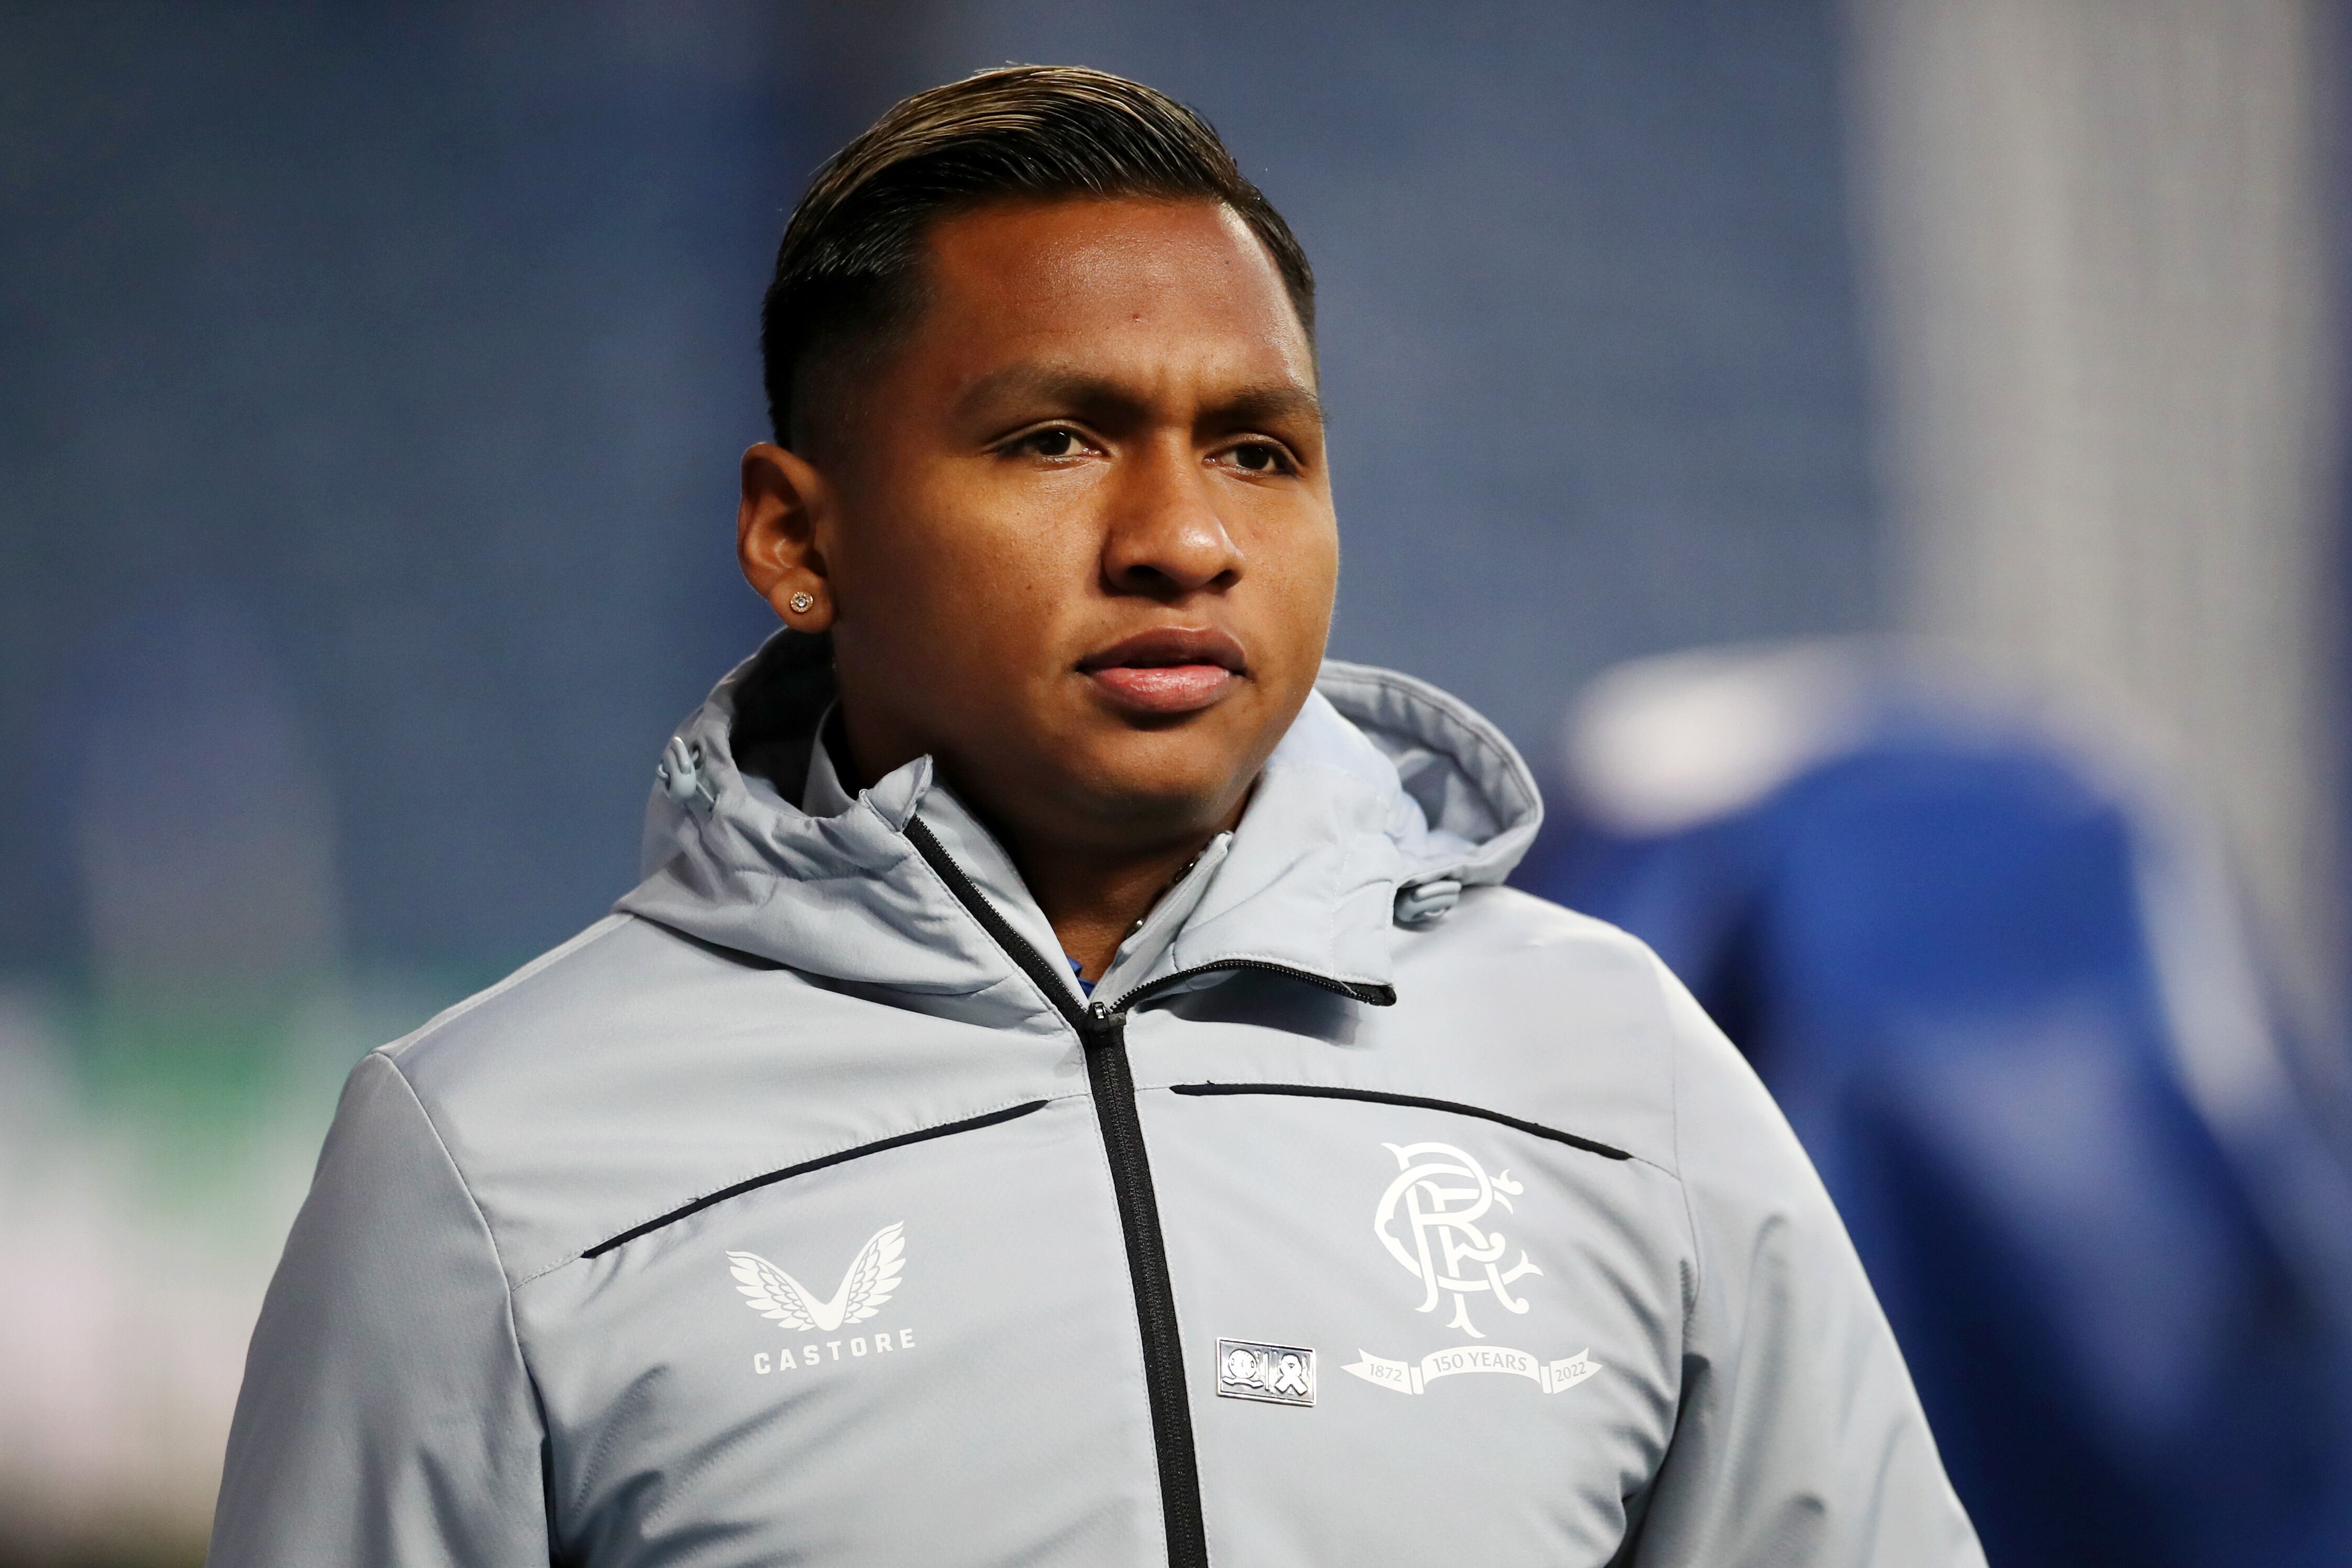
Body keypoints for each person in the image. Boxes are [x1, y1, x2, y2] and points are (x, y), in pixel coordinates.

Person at [209, 67, 1983, 1567]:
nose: (1182, 537)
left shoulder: (1616, 1074)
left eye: (1258, 450)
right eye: (1057, 439)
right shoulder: (487, 1162)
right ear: (795, 539)